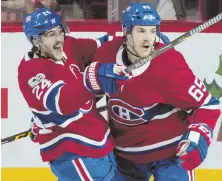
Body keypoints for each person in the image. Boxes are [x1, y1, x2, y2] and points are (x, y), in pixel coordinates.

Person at [89, 2, 221, 181]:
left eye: (152, 31)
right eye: (141, 31)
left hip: (170, 155)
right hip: (125, 156)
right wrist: (91, 81)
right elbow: (88, 97)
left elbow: (208, 106)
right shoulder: (106, 55)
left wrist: (198, 135)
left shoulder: (169, 65)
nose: (148, 38)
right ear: (126, 32)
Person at [18, 7, 128, 181]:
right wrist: (92, 78)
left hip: (98, 142)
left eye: (60, 31)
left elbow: (103, 46)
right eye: (50, 34)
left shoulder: (68, 45)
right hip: (73, 153)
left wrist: (133, 41)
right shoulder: (32, 72)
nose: (59, 39)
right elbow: (63, 102)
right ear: (36, 40)